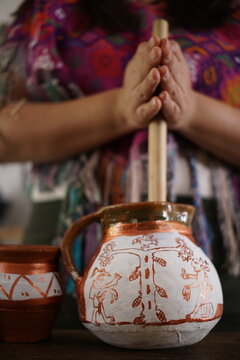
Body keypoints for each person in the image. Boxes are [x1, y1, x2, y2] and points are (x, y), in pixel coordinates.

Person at [0, 0, 240, 329]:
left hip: (225, 251)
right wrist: (121, 108)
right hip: (66, 242)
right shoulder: (49, 10)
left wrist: (191, 111)